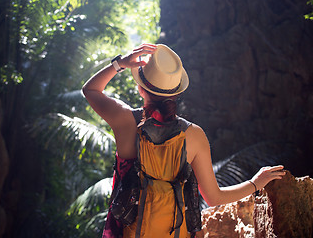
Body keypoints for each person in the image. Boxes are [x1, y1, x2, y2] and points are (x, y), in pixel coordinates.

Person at [82, 43, 286, 238]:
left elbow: (90, 90)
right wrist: (255, 183)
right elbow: (214, 198)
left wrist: (120, 64)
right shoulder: (195, 135)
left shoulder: (124, 121)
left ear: (140, 88)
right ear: (177, 92)